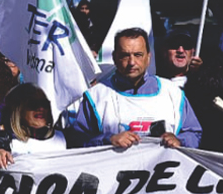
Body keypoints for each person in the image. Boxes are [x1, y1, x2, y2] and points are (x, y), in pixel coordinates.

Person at [67, 28, 202, 150]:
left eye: (138, 55)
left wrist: (179, 140)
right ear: (115, 57)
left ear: (148, 57)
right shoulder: (96, 96)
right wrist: (107, 140)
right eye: (125, 55)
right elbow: (77, 141)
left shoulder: (173, 93)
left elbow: (194, 134)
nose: (131, 62)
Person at [0, 84, 67, 168]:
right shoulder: (3, 139)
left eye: (44, 104)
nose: (41, 108)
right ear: (18, 110)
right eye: (33, 104)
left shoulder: (67, 139)